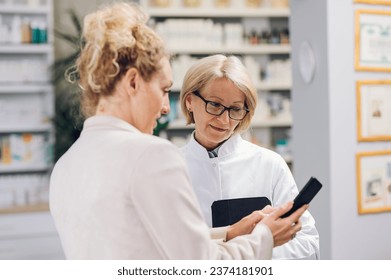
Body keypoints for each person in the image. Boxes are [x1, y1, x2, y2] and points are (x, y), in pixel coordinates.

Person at [49, 2, 306, 260]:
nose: (164, 108)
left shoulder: (66, 165)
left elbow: (148, 244)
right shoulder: (149, 155)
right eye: (163, 90)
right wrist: (265, 237)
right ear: (133, 82)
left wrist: (230, 232)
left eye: (235, 109)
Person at [179, 54, 320, 259]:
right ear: (190, 101)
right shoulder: (171, 167)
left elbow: (308, 243)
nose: (224, 120)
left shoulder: (270, 164)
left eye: (235, 109)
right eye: (215, 105)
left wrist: (256, 252)